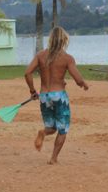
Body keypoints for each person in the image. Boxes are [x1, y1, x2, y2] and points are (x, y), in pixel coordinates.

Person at [25, 27, 89, 164]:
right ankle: (53, 158)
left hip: (44, 96)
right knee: (62, 129)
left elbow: (27, 73)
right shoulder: (67, 58)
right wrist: (84, 84)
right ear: (64, 40)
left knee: (51, 127)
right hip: (59, 96)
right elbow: (78, 79)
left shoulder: (40, 55)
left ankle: (43, 132)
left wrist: (32, 91)